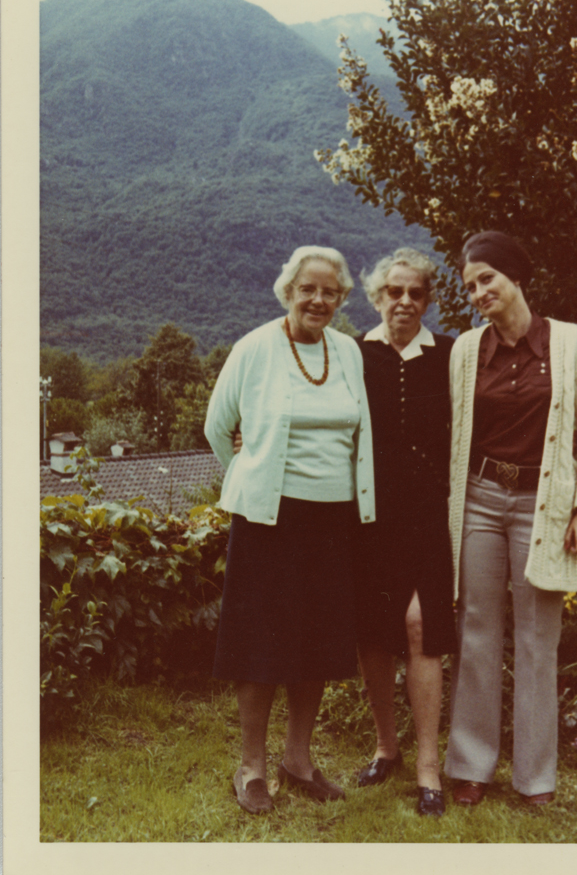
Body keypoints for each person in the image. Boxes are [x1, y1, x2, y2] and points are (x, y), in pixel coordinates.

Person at [205, 245, 375, 815]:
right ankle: (252, 768)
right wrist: (247, 480)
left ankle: (298, 761)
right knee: (260, 645)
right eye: (309, 289)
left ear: (342, 299)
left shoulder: (348, 352)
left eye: (330, 291)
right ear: (288, 291)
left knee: (318, 644)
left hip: (333, 519)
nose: (319, 300)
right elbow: (217, 424)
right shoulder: (255, 347)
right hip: (268, 521)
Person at [444, 231, 577, 807]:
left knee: (539, 640)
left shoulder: (568, 343)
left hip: (545, 508)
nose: (479, 292)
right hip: (481, 501)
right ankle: (471, 766)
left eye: (487, 278)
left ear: (515, 275)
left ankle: (535, 778)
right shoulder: (467, 352)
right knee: (477, 632)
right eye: (470, 286)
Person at [353, 248, 456, 818]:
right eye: (395, 292)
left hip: (428, 517)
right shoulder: (353, 353)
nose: (405, 302)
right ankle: (385, 747)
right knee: (373, 633)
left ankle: (428, 767)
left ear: (428, 299)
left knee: (421, 628)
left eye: (416, 293)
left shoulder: (449, 354)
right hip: (367, 518)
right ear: (378, 297)